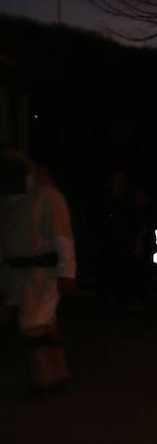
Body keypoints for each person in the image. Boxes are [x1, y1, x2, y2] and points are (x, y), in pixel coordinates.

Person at [0, 149, 77, 395]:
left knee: (33, 327)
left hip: (42, 275)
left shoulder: (47, 197)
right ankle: (57, 374)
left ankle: (46, 381)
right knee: (43, 325)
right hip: (19, 276)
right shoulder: (10, 202)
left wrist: (67, 273)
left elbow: (62, 237)